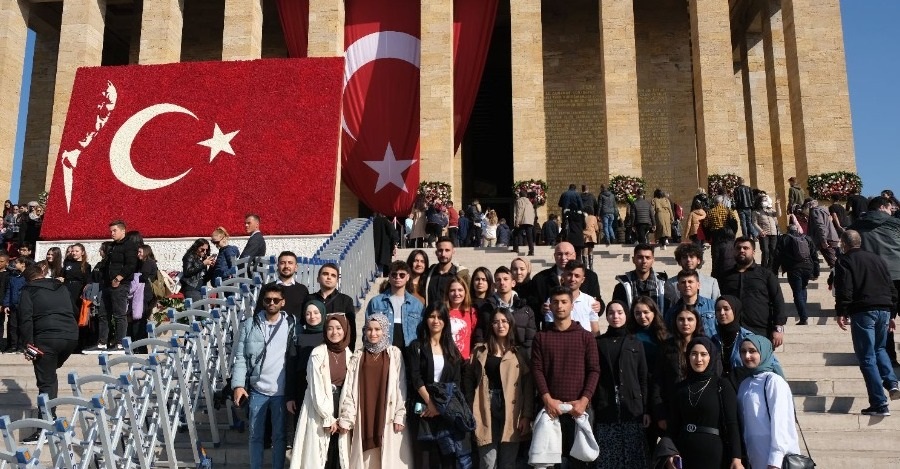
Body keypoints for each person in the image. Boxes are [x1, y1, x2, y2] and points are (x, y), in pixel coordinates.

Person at [531, 286, 599, 468]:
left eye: (564, 302)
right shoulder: (541, 337)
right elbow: (536, 370)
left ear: (572, 306)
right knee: (550, 463)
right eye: (555, 302)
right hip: (551, 410)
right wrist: (547, 399)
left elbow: (594, 370)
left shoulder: (586, 337)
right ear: (550, 306)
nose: (560, 306)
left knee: (580, 463)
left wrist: (584, 401)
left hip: (580, 410)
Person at [232, 284, 299, 469]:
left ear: (282, 302)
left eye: (276, 300)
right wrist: (238, 385)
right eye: (268, 300)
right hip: (258, 390)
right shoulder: (250, 324)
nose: (271, 303)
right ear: (263, 302)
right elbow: (240, 357)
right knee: (255, 435)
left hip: (281, 391)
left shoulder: (292, 324)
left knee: (280, 437)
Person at [833, 230, 900, 416]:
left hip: (863, 310)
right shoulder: (877, 259)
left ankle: (879, 403)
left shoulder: (844, 260)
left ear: (844, 243)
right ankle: (892, 383)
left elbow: (844, 288)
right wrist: (892, 313)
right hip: (884, 309)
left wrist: (841, 311)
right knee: (880, 349)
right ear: (859, 241)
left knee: (867, 357)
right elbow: (891, 286)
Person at [338, 314, 411, 468]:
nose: (373, 333)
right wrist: (347, 416)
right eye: (369, 329)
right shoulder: (358, 355)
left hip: (387, 414)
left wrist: (400, 414)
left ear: (385, 331)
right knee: (365, 461)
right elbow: (350, 389)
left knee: (386, 458)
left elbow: (401, 385)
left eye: (378, 329)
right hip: (363, 416)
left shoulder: (394, 354)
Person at [658, 337, 743, 469]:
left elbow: (732, 424)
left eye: (703, 354)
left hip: (713, 453)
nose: (698, 359)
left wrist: (736, 458)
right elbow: (673, 425)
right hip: (683, 452)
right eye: (694, 354)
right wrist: (669, 454)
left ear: (711, 357)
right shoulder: (680, 388)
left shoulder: (722, 385)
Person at [464, 308, 534, 469]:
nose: (500, 325)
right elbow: (468, 379)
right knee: (488, 461)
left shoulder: (519, 352)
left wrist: (527, 415)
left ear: (510, 324)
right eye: (496, 322)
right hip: (484, 406)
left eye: (504, 321)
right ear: (491, 325)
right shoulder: (480, 350)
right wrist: (470, 404)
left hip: (512, 409)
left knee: (508, 462)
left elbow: (528, 386)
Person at [18, 262, 78, 442]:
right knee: (49, 374)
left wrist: (28, 345)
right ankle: (49, 419)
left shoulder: (29, 291)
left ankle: (45, 428)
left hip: (47, 338)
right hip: (70, 337)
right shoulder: (61, 287)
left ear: (28, 279)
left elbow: (25, 319)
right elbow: (74, 310)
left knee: (46, 382)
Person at [407, 305, 469, 468]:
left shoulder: (452, 350)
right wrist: (430, 403)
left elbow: (455, 382)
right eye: (432, 316)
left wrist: (440, 406)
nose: (436, 321)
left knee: (446, 456)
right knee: (424, 455)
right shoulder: (416, 346)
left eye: (440, 317)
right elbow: (415, 377)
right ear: (425, 319)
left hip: (445, 407)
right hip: (421, 405)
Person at [289, 313, 351, 469]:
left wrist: (346, 416)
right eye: (330, 328)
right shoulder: (317, 353)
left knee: (339, 454)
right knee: (320, 455)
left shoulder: (351, 355)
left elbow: (352, 388)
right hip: (320, 407)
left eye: (338, 328)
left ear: (345, 330)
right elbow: (316, 388)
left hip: (341, 404)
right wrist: (327, 417)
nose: (334, 332)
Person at [592, 301, 648, 469]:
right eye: (611, 313)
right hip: (606, 407)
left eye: (619, 312)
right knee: (608, 458)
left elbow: (643, 377)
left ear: (626, 315)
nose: (615, 316)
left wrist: (645, 409)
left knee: (633, 458)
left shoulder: (635, 343)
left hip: (632, 409)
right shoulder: (599, 342)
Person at [734, 335, 799, 469]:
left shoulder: (774, 381)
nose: (747, 356)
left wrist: (775, 461)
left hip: (776, 461)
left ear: (763, 352)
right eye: (743, 351)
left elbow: (781, 423)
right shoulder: (745, 384)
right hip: (755, 457)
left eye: (752, 351)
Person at [850, 196, 900, 365]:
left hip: (876, 279)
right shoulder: (895, 224)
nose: (891, 211)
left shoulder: (855, 227)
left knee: (885, 322)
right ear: (882, 207)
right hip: (898, 273)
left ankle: (889, 358)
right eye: (889, 208)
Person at [719, 237, 786, 347]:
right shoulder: (725, 277)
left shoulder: (766, 275)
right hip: (731, 333)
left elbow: (778, 300)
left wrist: (778, 328)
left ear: (753, 252)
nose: (742, 250)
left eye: (746, 248)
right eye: (738, 248)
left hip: (760, 332)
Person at [90, 220, 138, 353]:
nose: (112, 233)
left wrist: (118, 278)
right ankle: (102, 343)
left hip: (120, 285)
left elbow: (131, 265)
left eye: (114, 231)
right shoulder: (112, 246)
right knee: (103, 314)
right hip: (107, 284)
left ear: (123, 230)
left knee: (119, 315)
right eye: (111, 231)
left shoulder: (129, 245)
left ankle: (120, 344)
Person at [653, 309, 704, 431]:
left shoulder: (706, 345)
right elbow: (657, 381)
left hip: (700, 408)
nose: (685, 323)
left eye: (690, 319)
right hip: (673, 408)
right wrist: (660, 415)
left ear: (697, 322)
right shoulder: (666, 347)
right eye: (681, 319)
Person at [712, 295, 783, 379]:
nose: (722, 313)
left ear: (735, 310)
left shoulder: (750, 339)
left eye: (726, 309)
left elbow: (772, 364)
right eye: (718, 310)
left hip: (746, 387)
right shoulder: (714, 340)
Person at [528, 241, 602, 316]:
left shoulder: (590, 276)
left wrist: (598, 306)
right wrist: (541, 309)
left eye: (567, 254)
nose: (563, 258)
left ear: (574, 255)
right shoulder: (540, 279)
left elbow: (597, 302)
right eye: (559, 254)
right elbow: (532, 305)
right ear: (554, 256)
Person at [365, 260, 424, 349]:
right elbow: (367, 328)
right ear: (389, 276)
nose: (398, 277)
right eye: (394, 274)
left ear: (407, 277)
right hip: (383, 350)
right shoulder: (376, 302)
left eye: (402, 275)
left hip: (410, 351)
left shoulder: (417, 304)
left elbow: (422, 331)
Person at [484, 266, 538, 357]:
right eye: (498, 280)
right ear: (494, 285)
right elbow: (482, 335)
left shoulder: (526, 310)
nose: (502, 282)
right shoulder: (486, 308)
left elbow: (530, 340)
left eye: (505, 279)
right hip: (493, 357)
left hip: (518, 359)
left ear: (513, 283)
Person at [772, 224, 819, 325]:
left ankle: (803, 317)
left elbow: (777, 255)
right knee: (803, 288)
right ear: (797, 230)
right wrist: (816, 271)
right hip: (807, 267)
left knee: (797, 292)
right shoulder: (807, 238)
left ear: (788, 230)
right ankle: (803, 311)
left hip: (794, 269)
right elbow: (814, 255)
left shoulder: (784, 239)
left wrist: (774, 271)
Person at [311, 263, 357, 350]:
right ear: (318, 279)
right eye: (325, 274)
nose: (329, 277)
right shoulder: (310, 299)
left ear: (337, 281)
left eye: (333, 275)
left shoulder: (346, 300)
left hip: (336, 350)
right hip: (313, 348)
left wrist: (350, 352)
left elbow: (351, 330)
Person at [612, 243, 669, 312]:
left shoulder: (663, 285)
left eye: (648, 258)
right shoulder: (622, 287)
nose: (644, 261)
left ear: (653, 260)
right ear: (633, 260)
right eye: (640, 257)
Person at [664, 270, 716, 338]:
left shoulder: (712, 306)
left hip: (709, 347)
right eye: (683, 282)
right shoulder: (671, 312)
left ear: (698, 285)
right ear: (678, 287)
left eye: (690, 282)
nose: (687, 285)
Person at [258, 251, 310, 319]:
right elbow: (258, 314)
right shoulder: (267, 288)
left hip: (295, 329)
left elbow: (306, 315)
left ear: (296, 267)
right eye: (282, 263)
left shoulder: (302, 290)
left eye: (290, 263)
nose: (286, 266)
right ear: (278, 266)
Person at [295, 300, 327, 404]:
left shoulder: (329, 336)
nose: (312, 316)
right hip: (302, 389)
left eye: (316, 313)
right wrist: (290, 397)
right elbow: (291, 367)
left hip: (324, 388)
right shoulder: (299, 338)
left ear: (322, 313)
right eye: (308, 314)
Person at [559, 260, 601, 335]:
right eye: (569, 275)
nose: (572, 279)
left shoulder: (590, 301)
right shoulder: (554, 301)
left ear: (582, 280)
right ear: (563, 276)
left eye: (577, 276)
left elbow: (595, 331)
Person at [423, 237, 470, 305]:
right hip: (431, 315)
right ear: (436, 252)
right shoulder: (429, 274)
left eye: (447, 250)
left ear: (453, 252)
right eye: (440, 250)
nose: (443, 254)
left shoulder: (461, 275)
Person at [444, 275, 479, 360]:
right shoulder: (442, 312)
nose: (456, 294)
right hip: (446, 360)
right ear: (447, 293)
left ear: (465, 292)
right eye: (452, 290)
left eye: (460, 290)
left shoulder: (471, 312)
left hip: (464, 361)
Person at [804, 199, 839, 267]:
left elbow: (820, 226)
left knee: (833, 264)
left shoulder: (815, 211)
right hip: (832, 237)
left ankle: (839, 276)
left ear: (809, 205)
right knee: (835, 262)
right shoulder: (824, 211)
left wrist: (823, 240)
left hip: (827, 240)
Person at [751, 192, 779, 271]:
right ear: (760, 202)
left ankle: (770, 268)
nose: (765, 201)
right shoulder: (756, 212)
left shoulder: (770, 210)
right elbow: (754, 223)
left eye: (766, 200)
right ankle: (763, 268)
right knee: (765, 251)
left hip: (773, 233)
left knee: (773, 251)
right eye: (764, 200)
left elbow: (778, 214)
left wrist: (777, 204)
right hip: (764, 234)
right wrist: (760, 231)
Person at [180, 238, 214, 303]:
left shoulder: (201, 259)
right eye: (202, 249)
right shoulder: (189, 256)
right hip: (192, 288)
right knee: (198, 309)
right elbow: (187, 272)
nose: (205, 252)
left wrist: (212, 267)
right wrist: (203, 264)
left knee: (203, 310)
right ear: (196, 247)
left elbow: (205, 278)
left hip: (201, 288)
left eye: (206, 250)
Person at [373, 212, 398, 276]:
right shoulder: (387, 222)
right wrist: (394, 245)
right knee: (386, 269)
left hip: (375, 250)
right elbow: (393, 234)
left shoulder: (373, 222)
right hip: (385, 249)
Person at [512, 190, 536, 256]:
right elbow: (533, 213)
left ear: (520, 195)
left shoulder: (519, 201)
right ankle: (531, 251)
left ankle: (515, 248)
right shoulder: (529, 202)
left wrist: (517, 222)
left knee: (515, 233)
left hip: (522, 220)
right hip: (530, 221)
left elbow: (519, 212)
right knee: (529, 236)